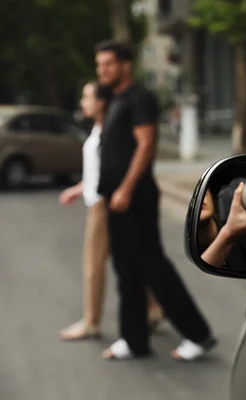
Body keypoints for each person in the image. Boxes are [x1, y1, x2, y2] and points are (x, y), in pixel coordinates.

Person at [94, 40, 215, 361]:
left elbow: (145, 146)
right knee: (125, 269)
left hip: (135, 199)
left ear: (125, 65)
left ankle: (197, 335)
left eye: (107, 64)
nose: (102, 70)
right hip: (116, 200)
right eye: (99, 65)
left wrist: (126, 189)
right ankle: (134, 340)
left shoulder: (139, 99)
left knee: (153, 267)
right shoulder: (114, 100)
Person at [58, 82, 163, 341]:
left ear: (101, 102)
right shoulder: (98, 129)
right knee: (132, 260)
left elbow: (117, 166)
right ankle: (155, 308)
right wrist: (78, 188)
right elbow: (97, 171)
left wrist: (121, 192)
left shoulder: (114, 130)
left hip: (104, 204)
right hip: (100, 199)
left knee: (93, 265)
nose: (82, 102)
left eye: (87, 96)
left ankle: (91, 322)